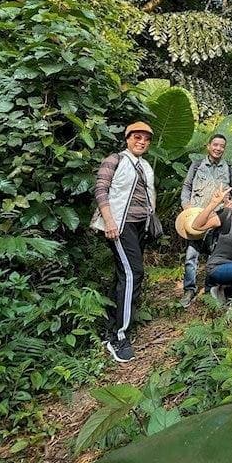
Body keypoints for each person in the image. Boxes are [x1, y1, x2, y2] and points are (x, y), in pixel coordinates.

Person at [92, 121, 158, 364]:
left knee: (123, 275)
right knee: (133, 274)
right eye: (137, 137)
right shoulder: (115, 159)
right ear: (128, 138)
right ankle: (118, 337)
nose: (142, 142)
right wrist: (109, 222)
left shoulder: (145, 166)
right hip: (121, 225)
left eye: (146, 139)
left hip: (140, 226)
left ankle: (110, 327)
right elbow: (101, 190)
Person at [180, 134, 232, 307]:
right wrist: (186, 205)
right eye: (215, 145)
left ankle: (210, 289)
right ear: (208, 146)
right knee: (191, 256)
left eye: (222, 146)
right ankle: (189, 289)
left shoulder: (229, 167)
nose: (218, 148)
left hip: (219, 218)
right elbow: (187, 186)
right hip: (196, 217)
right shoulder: (197, 165)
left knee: (215, 256)